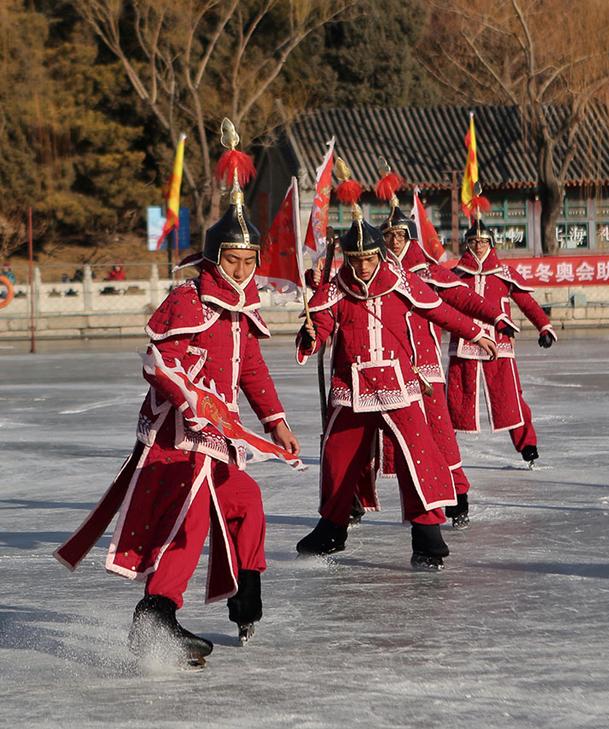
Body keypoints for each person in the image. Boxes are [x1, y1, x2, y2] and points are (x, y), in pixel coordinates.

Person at [55, 121, 301, 667]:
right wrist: (193, 399)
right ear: (215, 258)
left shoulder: (244, 307)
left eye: (249, 260)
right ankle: (156, 614)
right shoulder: (189, 298)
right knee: (188, 526)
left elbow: (251, 367)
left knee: (247, 503)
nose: (241, 270)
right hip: (177, 438)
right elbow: (157, 361)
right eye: (232, 260)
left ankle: (247, 593)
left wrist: (275, 418)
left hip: (220, 438)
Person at [295, 161, 497, 570]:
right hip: (350, 386)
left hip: (399, 383)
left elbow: (439, 309)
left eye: (369, 258)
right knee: (338, 455)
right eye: (356, 259)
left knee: (418, 454)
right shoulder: (336, 288)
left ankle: (428, 537)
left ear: (378, 255)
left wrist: (476, 332)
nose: (364, 267)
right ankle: (332, 528)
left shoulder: (400, 281)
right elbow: (322, 322)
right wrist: (313, 334)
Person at [354, 181, 519, 529]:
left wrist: (494, 317)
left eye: (400, 235)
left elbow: (460, 300)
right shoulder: (373, 273)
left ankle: (458, 494)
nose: (394, 241)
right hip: (383, 369)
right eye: (389, 235)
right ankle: (350, 500)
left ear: (411, 238)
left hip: (424, 368)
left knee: (440, 434)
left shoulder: (425, 272)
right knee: (364, 435)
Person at [446, 219, 557, 467]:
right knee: (454, 400)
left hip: (499, 345)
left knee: (511, 398)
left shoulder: (504, 274)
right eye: (473, 241)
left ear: (491, 244)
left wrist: (544, 327)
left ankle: (527, 443)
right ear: (467, 244)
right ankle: (444, 445)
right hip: (465, 345)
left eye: (483, 241)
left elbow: (526, 303)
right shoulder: (455, 276)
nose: (478, 246)